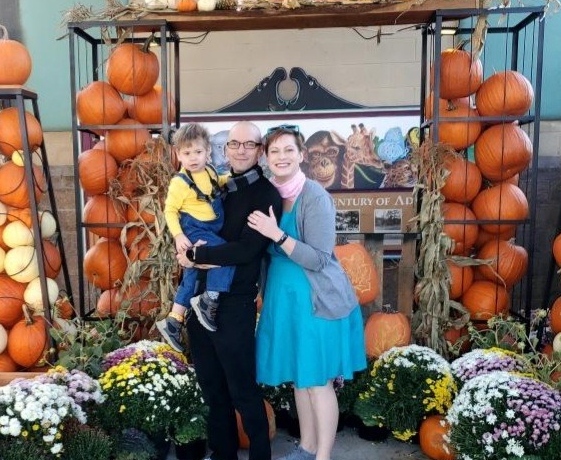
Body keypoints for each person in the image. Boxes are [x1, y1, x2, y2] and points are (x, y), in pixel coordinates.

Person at [248, 125, 367, 460]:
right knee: (300, 380)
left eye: (289, 150)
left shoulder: (314, 196)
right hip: (285, 301)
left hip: (317, 299)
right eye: (275, 151)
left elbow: (319, 257)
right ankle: (306, 448)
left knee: (317, 381)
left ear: (301, 155)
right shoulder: (270, 195)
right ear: (266, 158)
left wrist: (277, 235)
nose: (282, 157)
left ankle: (323, 456)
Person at [178, 121, 282, 460]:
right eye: (234, 144)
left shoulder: (265, 194)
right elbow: (187, 223)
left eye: (248, 144)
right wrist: (184, 249)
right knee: (212, 390)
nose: (240, 150)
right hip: (200, 302)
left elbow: (247, 250)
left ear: (259, 150)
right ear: (224, 150)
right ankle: (223, 453)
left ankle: (260, 456)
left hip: (234, 306)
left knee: (243, 391)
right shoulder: (219, 188)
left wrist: (201, 255)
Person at [156, 123, 233, 352]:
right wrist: (179, 236)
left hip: (210, 228)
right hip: (195, 229)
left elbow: (218, 183)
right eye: (186, 153)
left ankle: (173, 320)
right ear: (178, 154)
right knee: (224, 254)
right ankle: (209, 298)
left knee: (191, 274)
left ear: (208, 151)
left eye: (198, 152)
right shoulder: (179, 183)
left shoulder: (209, 172)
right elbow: (169, 211)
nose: (193, 158)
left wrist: (233, 177)